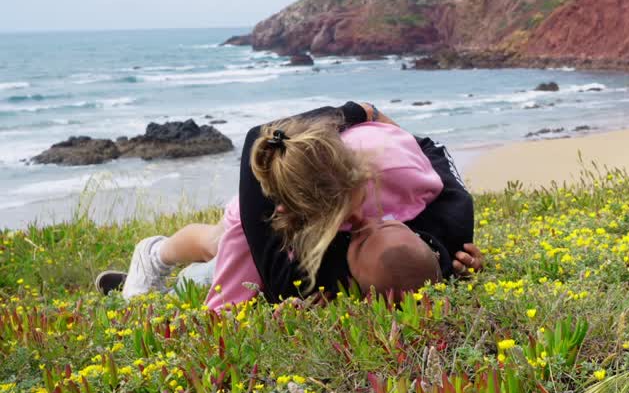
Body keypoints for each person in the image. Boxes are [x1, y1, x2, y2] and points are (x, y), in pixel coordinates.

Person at [99, 101, 482, 305]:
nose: (367, 223)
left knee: (222, 273)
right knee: (222, 241)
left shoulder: (423, 201)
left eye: (360, 232)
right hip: (288, 175)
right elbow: (257, 138)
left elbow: (429, 149)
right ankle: (154, 254)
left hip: (324, 175)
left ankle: (188, 279)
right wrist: (357, 112)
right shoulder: (282, 198)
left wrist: (449, 265)